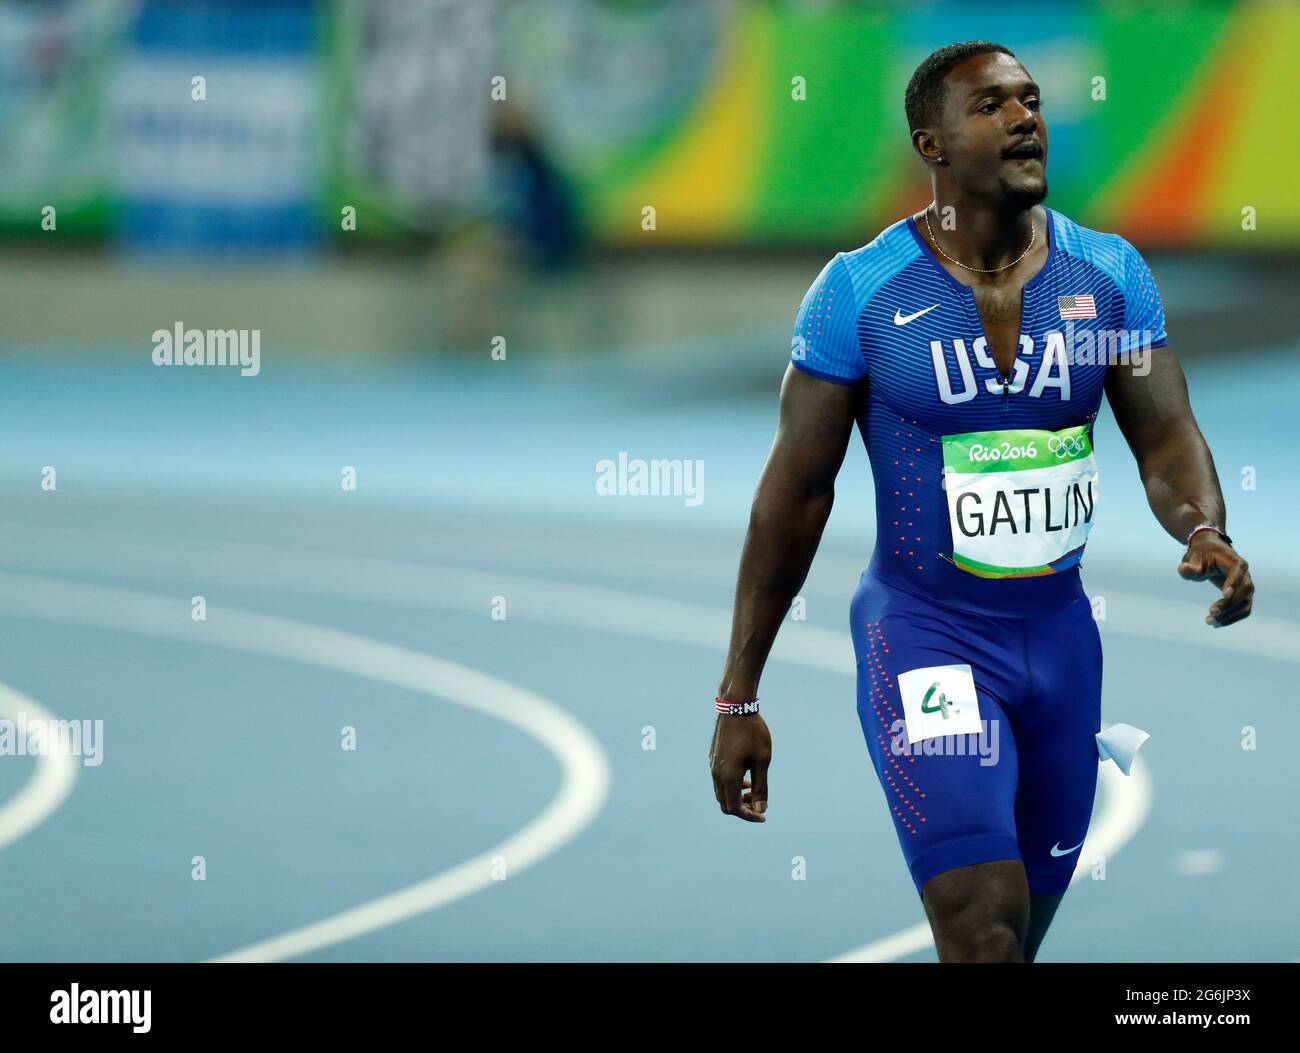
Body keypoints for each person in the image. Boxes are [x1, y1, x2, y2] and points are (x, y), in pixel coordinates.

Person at [708, 40, 1254, 963]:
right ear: (932, 143)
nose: (1026, 117)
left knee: (1018, 938)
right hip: (926, 639)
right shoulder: (860, 294)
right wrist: (738, 697)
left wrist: (1204, 525)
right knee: (980, 925)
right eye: (993, 105)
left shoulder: (1108, 276)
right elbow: (795, 496)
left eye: (1032, 100)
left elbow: (1163, 438)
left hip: (1061, 648)